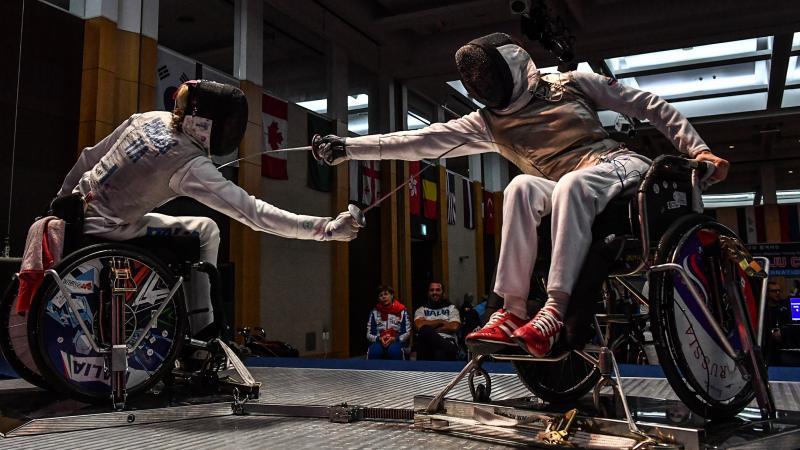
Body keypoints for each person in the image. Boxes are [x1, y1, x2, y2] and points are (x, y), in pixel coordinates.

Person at [313, 32, 729, 357]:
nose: (480, 86)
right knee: (520, 187)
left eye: (485, 77)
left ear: (510, 68)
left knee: (571, 184)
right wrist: (349, 147)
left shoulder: (572, 83)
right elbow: (417, 140)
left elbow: (649, 104)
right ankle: (512, 310)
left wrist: (697, 149)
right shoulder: (488, 123)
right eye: (474, 82)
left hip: (617, 169)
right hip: (565, 188)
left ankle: (555, 308)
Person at [56, 80, 361, 336]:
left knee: (193, 228)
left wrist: (59, 203)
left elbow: (88, 157)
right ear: (211, 124)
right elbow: (254, 214)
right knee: (207, 230)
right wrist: (328, 229)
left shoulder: (149, 118)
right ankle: (203, 333)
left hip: (74, 214)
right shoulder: (189, 163)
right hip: (106, 231)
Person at [414, 282, 461, 360]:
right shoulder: (421, 310)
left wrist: (429, 329)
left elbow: (454, 326)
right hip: (428, 345)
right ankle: (451, 349)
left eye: (438, 290)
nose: (434, 292)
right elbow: (419, 326)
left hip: (447, 341)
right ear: (428, 293)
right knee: (425, 329)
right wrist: (441, 321)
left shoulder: (451, 308)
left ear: (443, 292)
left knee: (439, 352)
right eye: (432, 290)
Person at [366, 285, 411, 360]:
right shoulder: (374, 312)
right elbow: (368, 334)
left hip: (396, 340)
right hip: (379, 340)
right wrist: (379, 339)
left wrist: (395, 339)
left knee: (394, 351)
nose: (383, 297)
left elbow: (407, 333)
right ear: (378, 298)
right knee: (374, 352)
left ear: (392, 295)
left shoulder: (402, 311)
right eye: (381, 295)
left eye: (386, 294)